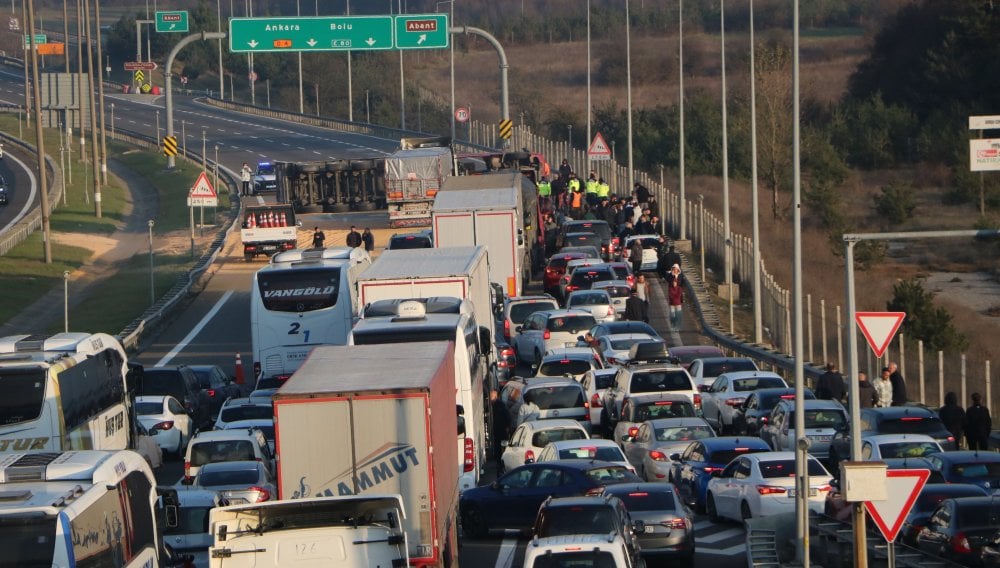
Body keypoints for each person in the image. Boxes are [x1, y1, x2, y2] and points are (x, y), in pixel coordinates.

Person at [490, 390, 510, 459]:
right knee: (499, 443)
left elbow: (506, 416)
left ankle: (500, 457)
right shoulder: (499, 404)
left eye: (491, 397)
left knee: (500, 443)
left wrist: (507, 426)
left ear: (495, 396)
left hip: (501, 427)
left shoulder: (499, 405)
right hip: (500, 427)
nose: (490, 399)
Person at [666, 264, 685, 329]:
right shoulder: (670, 275)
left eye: (675, 269)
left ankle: (677, 325)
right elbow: (668, 280)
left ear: (678, 269)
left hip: (678, 297)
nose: (674, 270)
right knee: (672, 313)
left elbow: (682, 283)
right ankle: (674, 325)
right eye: (673, 269)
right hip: (672, 298)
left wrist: (678, 285)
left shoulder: (680, 276)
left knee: (678, 313)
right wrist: (672, 276)